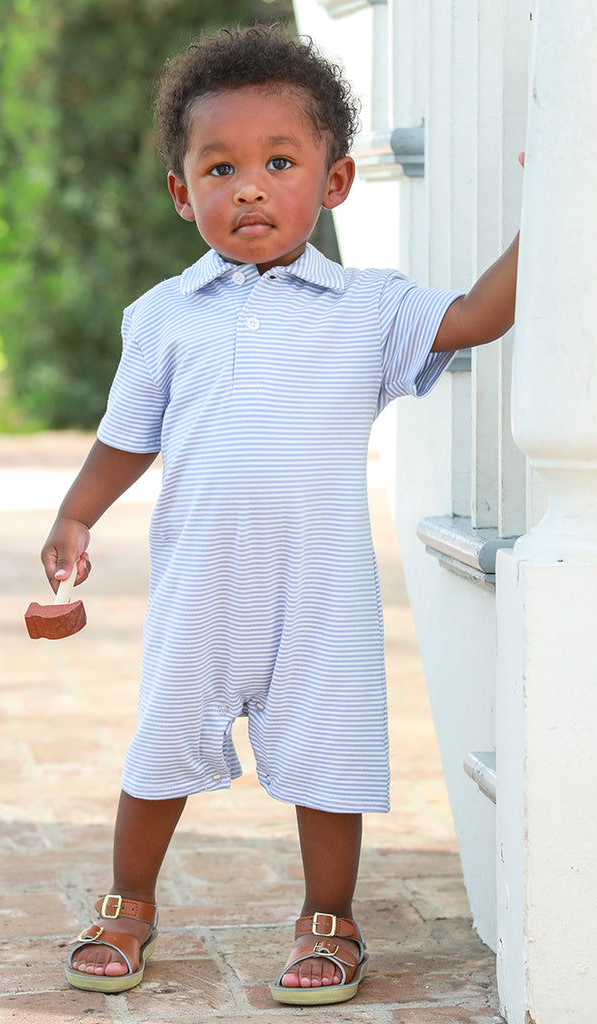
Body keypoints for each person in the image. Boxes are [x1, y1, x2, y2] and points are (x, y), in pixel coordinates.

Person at [40, 23, 518, 1006]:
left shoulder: (368, 309)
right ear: (183, 194)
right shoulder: (164, 315)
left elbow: (475, 316)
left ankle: (328, 920)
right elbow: (129, 435)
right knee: (161, 742)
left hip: (322, 589)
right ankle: (128, 901)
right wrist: (75, 516)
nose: (248, 186)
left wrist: (548, 215)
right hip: (200, 582)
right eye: (219, 168)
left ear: (335, 182)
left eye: (279, 161)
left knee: (331, 756)